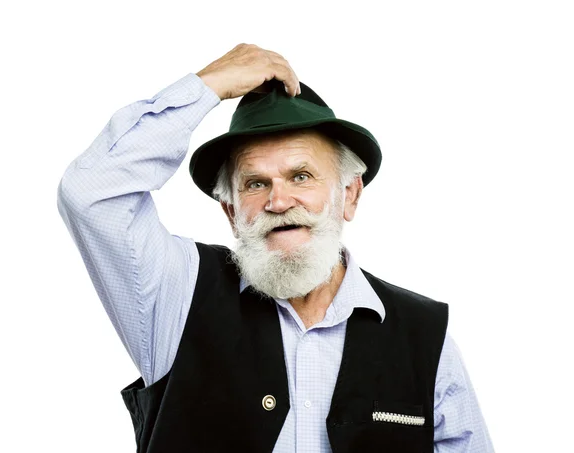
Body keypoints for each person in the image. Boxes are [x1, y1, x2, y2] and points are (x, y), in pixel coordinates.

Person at [57, 43, 494, 452]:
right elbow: (92, 193)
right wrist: (207, 85)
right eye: (255, 183)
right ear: (231, 212)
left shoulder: (423, 335)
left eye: (301, 176)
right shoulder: (177, 296)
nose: (278, 201)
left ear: (350, 195)